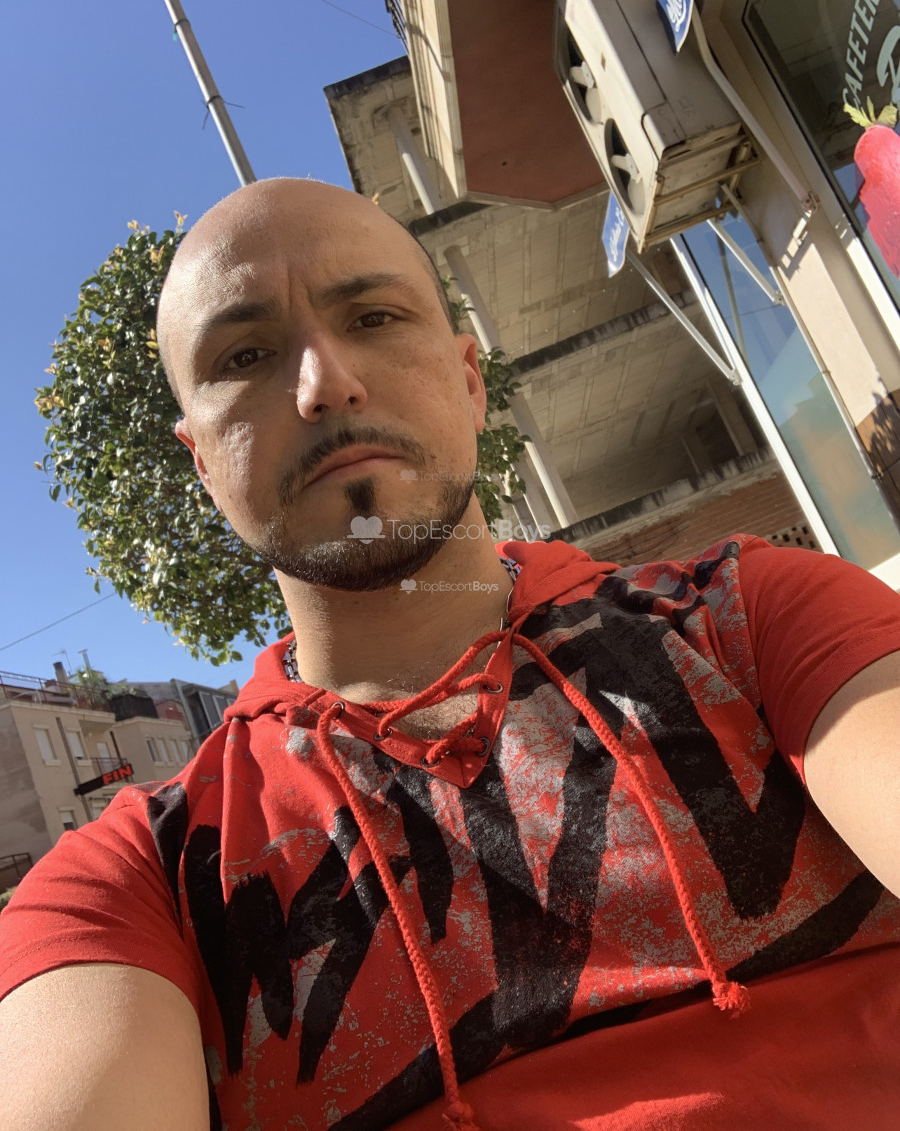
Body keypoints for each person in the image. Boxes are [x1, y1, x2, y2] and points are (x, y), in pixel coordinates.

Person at [1, 178, 899, 1131]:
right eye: (247, 356)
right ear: (202, 465)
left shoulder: (750, 617)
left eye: (374, 316)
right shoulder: (141, 878)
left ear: (471, 381)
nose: (325, 385)